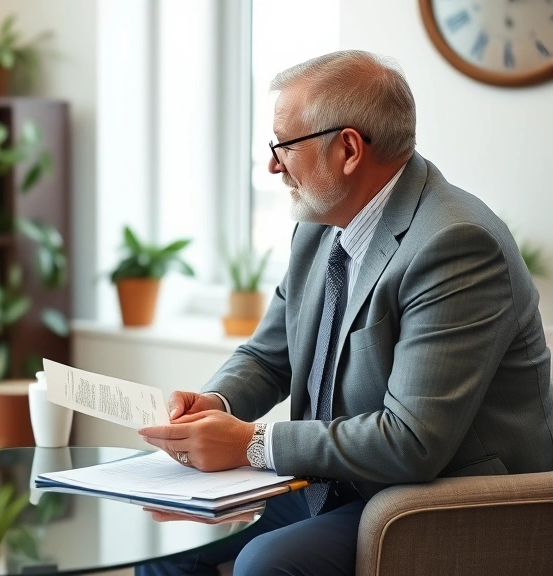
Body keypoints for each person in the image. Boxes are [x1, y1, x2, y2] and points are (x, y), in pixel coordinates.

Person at [137, 50, 553, 576]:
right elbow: (268, 358)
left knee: (268, 563)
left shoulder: (454, 244)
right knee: (167, 546)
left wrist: (253, 443)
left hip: (439, 497)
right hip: (338, 482)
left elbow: (412, 441)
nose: (272, 164)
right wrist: (213, 402)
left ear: (349, 149)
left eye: (283, 145)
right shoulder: (318, 227)